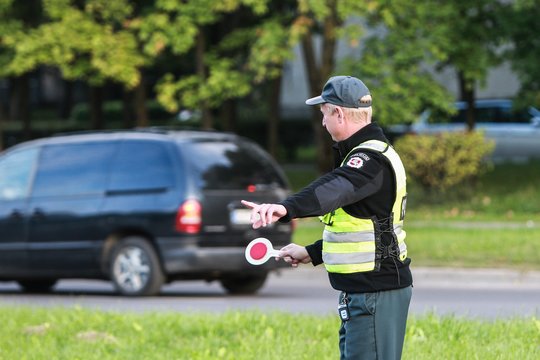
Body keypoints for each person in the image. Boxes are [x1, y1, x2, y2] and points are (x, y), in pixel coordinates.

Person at [241, 75, 413, 360]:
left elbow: (333, 190)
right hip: (365, 292)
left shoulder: (369, 161)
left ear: (339, 113)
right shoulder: (364, 156)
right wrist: (311, 252)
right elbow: (365, 228)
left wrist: (285, 208)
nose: (322, 123)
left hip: (375, 292)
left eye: (324, 114)